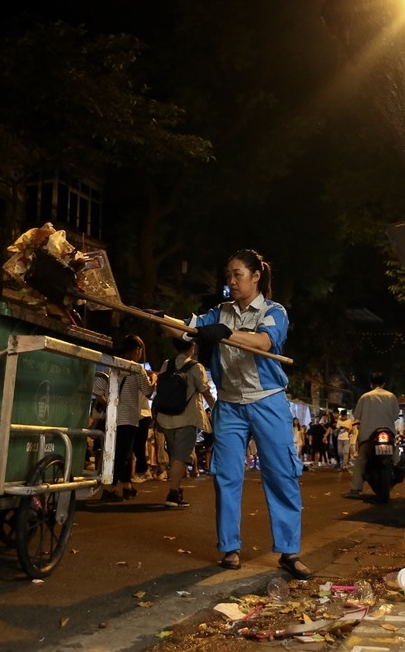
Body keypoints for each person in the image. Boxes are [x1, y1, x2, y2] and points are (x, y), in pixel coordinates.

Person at [165, 248, 311, 580]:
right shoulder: (219, 312)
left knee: (281, 474)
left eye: (237, 275)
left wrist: (227, 333)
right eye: (228, 275)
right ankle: (230, 547)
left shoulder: (274, 311)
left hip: (268, 401)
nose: (230, 281)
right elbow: (188, 329)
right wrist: (161, 318)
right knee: (227, 476)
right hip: (229, 403)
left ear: (256, 276)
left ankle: (289, 551)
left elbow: (263, 342)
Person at [93, 334, 155, 502]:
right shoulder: (137, 369)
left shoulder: (110, 366)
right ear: (136, 350)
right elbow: (148, 392)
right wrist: (154, 379)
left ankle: (126, 487)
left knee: (118, 453)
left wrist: (110, 405)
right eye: (140, 350)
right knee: (121, 455)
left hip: (111, 419)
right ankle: (109, 489)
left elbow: (97, 390)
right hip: (128, 419)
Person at [154, 338, 215, 507]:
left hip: (166, 417)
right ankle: (173, 494)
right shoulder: (196, 367)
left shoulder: (167, 364)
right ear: (193, 346)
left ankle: (177, 490)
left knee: (175, 455)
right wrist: (217, 408)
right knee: (181, 457)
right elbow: (205, 391)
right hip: (187, 417)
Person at [344, 372, 400, 498]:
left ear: (371, 384)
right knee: (396, 458)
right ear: (384, 383)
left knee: (361, 460)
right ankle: (397, 473)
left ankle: (355, 489)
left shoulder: (365, 397)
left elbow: (357, 415)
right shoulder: (391, 396)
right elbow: (396, 415)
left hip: (369, 436)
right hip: (389, 433)